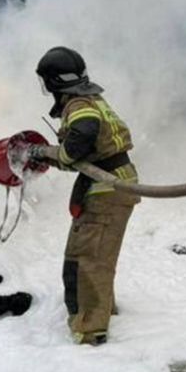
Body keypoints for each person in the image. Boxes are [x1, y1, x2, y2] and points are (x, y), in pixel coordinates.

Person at [35, 46, 140, 346]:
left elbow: (80, 140)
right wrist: (49, 156)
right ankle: (101, 311)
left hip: (108, 189)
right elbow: (80, 157)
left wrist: (50, 152)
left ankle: (90, 330)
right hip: (114, 183)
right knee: (97, 254)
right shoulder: (91, 98)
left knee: (86, 258)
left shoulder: (79, 105)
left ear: (54, 82)